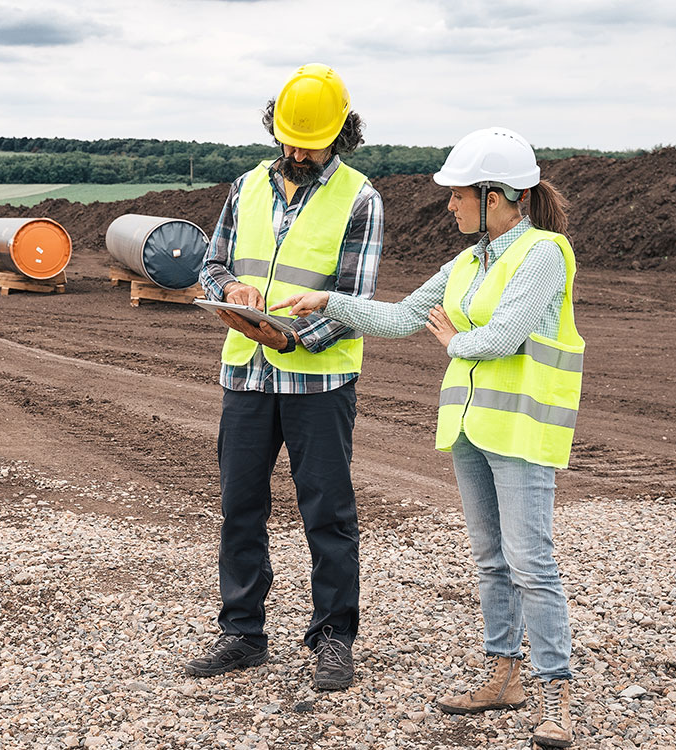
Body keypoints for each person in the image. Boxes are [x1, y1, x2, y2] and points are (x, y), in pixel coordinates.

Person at [273, 127, 584, 747]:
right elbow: (399, 317)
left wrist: (453, 343)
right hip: (472, 428)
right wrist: (327, 302)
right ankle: (504, 676)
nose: (450, 205)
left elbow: (501, 338)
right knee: (492, 560)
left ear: (496, 196)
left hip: (522, 429)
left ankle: (559, 696)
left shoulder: (544, 253)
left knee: (532, 562)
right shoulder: (469, 263)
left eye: (459, 195)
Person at [185, 63, 383, 692]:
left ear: (342, 134)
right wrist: (229, 290)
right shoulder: (244, 188)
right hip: (245, 374)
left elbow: (354, 299)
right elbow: (211, 265)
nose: (298, 150)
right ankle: (242, 633)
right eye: (290, 137)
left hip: (318, 384)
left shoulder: (360, 199)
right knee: (240, 506)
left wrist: (295, 336)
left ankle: (333, 638)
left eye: (312, 140)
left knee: (326, 511)